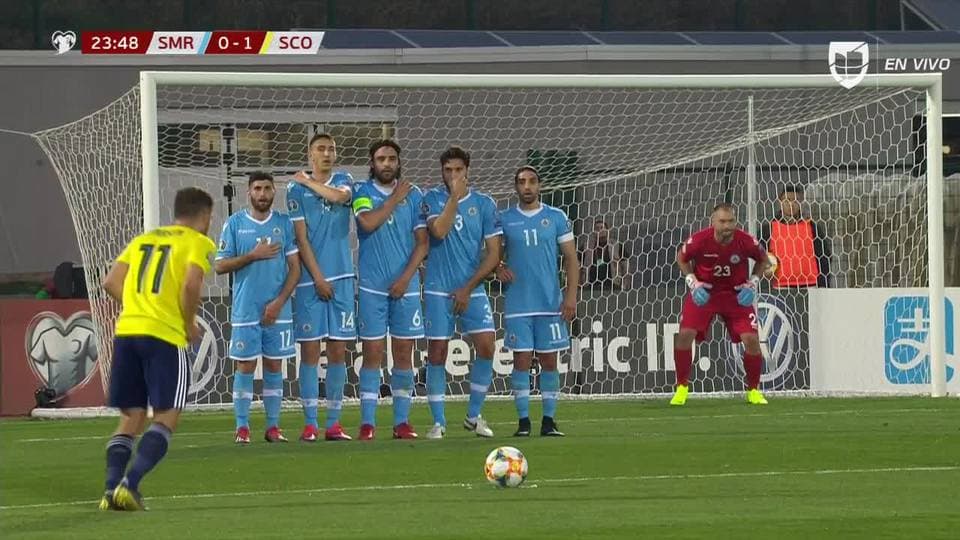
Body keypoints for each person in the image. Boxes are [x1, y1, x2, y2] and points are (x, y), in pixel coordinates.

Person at [98, 187, 216, 511]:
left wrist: (140, 307)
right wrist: (188, 323)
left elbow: (110, 282)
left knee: (132, 416)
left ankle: (110, 491)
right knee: (167, 415)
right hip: (164, 336)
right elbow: (191, 284)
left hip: (127, 332)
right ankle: (129, 485)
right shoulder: (198, 242)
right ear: (205, 216)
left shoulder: (142, 240)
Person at [421, 146, 502, 439]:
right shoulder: (431, 199)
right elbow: (439, 232)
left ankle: (473, 416)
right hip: (437, 289)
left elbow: (494, 254)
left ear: (468, 170)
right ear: (441, 172)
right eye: (448, 170)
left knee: (487, 347)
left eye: (458, 170)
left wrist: (468, 288)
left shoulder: (484, 203)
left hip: (472, 288)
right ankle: (438, 422)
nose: (453, 175)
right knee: (437, 352)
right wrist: (454, 198)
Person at [215, 172, 300, 444]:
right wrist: (253, 255)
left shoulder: (284, 224)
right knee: (245, 366)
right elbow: (220, 265)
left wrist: (279, 302)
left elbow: (295, 269)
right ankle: (242, 427)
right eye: (257, 189)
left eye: (266, 189)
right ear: (248, 192)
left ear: (274, 191)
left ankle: (273, 427)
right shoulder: (234, 224)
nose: (262, 194)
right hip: (246, 309)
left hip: (278, 310)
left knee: (275, 366)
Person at [352, 140, 428, 440]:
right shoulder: (361, 192)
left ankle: (402, 422)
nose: (387, 163)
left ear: (398, 162)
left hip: (405, 286)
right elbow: (367, 223)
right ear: (372, 163)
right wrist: (395, 198)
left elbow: (422, 243)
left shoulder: (415, 195)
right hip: (371, 287)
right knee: (372, 353)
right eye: (381, 158)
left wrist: (406, 278)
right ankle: (367, 423)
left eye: (392, 158)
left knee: (404, 353)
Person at [497, 166, 579, 437]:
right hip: (518, 304)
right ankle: (523, 422)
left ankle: (548, 420)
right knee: (521, 360)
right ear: (516, 187)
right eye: (522, 182)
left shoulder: (556, 217)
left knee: (549, 361)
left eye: (532, 181)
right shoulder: (505, 219)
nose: (527, 186)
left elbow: (571, 258)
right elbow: (490, 252)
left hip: (550, 303)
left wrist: (570, 296)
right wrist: (497, 267)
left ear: (540, 185)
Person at [287, 133, 355, 441]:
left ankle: (334, 423)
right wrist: (317, 278)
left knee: (339, 350)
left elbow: (339, 198)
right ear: (310, 154)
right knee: (311, 351)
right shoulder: (294, 191)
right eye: (321, 149)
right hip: (309, 281)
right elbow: (300, 239)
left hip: (342, 276)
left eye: (331, 149)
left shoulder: (344, 179)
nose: (327, 153)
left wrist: (307, 181)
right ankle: (311, 423)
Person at [672, 203, 769, 406]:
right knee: (684, 335)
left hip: (736, 295)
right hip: (705, 293)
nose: (727, 226)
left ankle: (753, 390)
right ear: (713, 222)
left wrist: (753, 283)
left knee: (751, 339)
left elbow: (763, 259)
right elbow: (681, 258)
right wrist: (692, 282)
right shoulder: (699, 240)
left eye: (731, 221)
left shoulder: (746, 241)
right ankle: (681, 388)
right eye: (722, 221)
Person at [758, 185, 832, 288]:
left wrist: (823, 285)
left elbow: (824, 257)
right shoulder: (768, 229)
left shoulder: (811, 227)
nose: (791, 204)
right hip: (779, 287)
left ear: (801, 203)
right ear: (780, 202)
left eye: (795, 201)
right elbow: (759, 258)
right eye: (787, 200)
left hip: (810, 285)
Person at [581, 219, 623, 289]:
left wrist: (625, 281)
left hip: (612, 285)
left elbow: (625, 263)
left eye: (602, 227)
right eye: (597, 228)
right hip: (590, 285)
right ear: (594, 232)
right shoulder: (587, 246)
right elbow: (577, 263)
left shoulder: (616, 245)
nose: (599, 230)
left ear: (607, 230)